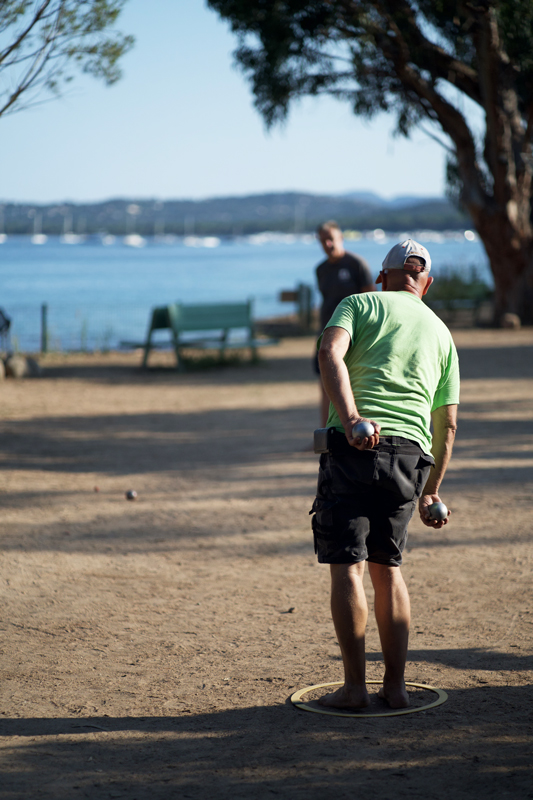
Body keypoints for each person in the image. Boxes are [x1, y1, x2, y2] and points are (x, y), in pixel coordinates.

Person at [310, 238, 459, 710]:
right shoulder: (442, 333)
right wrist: (431, 491)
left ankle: (354, 690)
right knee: (388, 570)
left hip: (353, 448)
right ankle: (395, 688)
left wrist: (352, 417)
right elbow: (447, 424)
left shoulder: (359, 304)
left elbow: (329, 354)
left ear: (382, 277)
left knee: (348, 568)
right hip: (409, 458)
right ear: (426, 284)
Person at [315, 221, 374, 426]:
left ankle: (357, 427)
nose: (328, 244)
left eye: (331, 239)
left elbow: (370, 300)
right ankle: (325, 433)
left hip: (353, 336)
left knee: (354, 383)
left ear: (340, 238)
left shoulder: (356, 264)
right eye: (323, 240)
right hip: (326, 333)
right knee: (326, 384)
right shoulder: (321, 269)